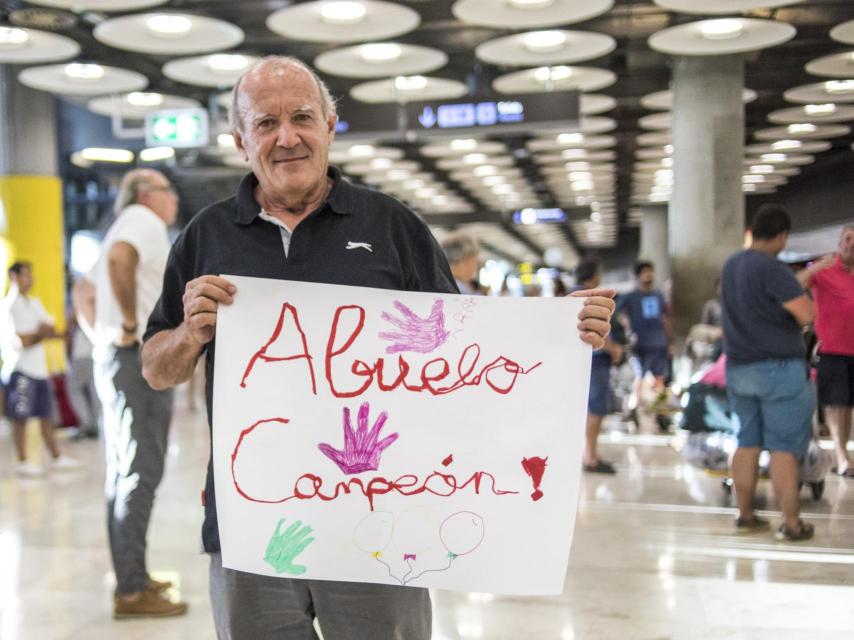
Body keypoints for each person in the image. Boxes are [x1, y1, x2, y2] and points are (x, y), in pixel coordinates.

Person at [138, 55, 616, 639]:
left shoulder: (394, 228)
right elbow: (156, 370)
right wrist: (189, 334)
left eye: (302, 118)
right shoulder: (206, 235)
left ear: (331, 126)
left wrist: (560, 336)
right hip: (252, 525)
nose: (286, 137)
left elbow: (470, 351)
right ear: (241, 140)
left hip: (381, 525)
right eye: (265, 123)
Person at [72, 169, 187, 618]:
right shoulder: (142, 220)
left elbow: (83, 290)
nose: (173, 199)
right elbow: (121, 261)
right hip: (133, 362)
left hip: (115, 359)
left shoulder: (121, 224)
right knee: (140, 471)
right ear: (145, 194)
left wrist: (101, 332)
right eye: (167, 191)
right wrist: (124, 327)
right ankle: (132, 590)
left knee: (124, 473)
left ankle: (131, 575)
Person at [721, 204, 815, 542]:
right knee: (783, 448)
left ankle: (745, 515)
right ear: (781, 236)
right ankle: (791, 523)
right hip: (778, 369)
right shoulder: (772, 268)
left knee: (746, 442)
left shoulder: (731, 265)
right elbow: (805, 315)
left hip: (738, 367)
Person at [1, 261, 78, 476]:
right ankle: (22, 460)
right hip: (21, 369)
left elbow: (51, 330)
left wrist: (38, 333)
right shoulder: (9, 307)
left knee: (46, 415)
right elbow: (22, 341)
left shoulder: (34, 302)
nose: (31, 279)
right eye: (26, 275)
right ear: (14, 277)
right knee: (21, 416)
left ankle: (55, 456)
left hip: (40, 369)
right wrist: (40, 333)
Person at [796, 223, 854, 477]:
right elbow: (795, 285)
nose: (851, 243)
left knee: (848, 405)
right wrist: (816, 267)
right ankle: (841, 455)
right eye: (848, 238)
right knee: (836, 403)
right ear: (840, 243)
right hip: (833, 350)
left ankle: (844, 452)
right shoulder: (826, 270)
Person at [574, 259, 626, 474]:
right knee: (596, 409)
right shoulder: (586, 298)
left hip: (591, 363)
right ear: (594, 276)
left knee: (591, 409)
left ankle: (589, 453)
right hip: (595, 362)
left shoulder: (576, 295)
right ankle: (590, 456)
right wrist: (613, 349)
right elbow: (591, 332)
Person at [616, 260, 672, 427]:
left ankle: (661, 412)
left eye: (651, 271)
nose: (649, 275)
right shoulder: (631, 296)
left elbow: (665, 318)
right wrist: (627, 325)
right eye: (645, 272)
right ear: (638, 275)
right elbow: (617, 312)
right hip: (640, 343)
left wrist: (669, 340)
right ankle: (634, 408)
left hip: (659, 342)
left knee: (660, 378)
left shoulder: (658, 295)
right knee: (639, 377)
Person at [440, 231, 480, 295]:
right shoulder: (461, 291)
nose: (476, 265)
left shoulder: (439, 284)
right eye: (475, 260)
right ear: (468, 258)